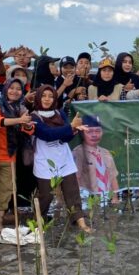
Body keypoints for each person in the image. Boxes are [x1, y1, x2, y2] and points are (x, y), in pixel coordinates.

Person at [30, 85, 91, 233]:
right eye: (43, 95)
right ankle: (38, 221)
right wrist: (70, 127)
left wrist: (74, 130)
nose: (47, 99)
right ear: (38, 97)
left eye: (50, 96)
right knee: (45, 195)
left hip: (64, 157)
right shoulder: (33, 116)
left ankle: (80, 221)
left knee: (72, 191)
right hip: (44, 160)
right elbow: (47, 134)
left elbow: (65, 138)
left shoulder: (60, 112)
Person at [0, 78, 34, 238]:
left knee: (7, 191)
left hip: (10, 155)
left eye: (18, 89)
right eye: (11, 88)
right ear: (6, 89)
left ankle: (0, 221)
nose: (15, 91)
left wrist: (26, 124)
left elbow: (29, 129)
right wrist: (19, 120)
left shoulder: (21, 107)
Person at [72, 115, 120, 203]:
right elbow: (76, 179)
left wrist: (115, 198)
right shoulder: (78, 152)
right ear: (82, 133)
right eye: (89, 132)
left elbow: (113, 178)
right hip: (87, 200)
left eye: (98, 131)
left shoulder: (106, 153)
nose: (94, 135)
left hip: (107, 200)